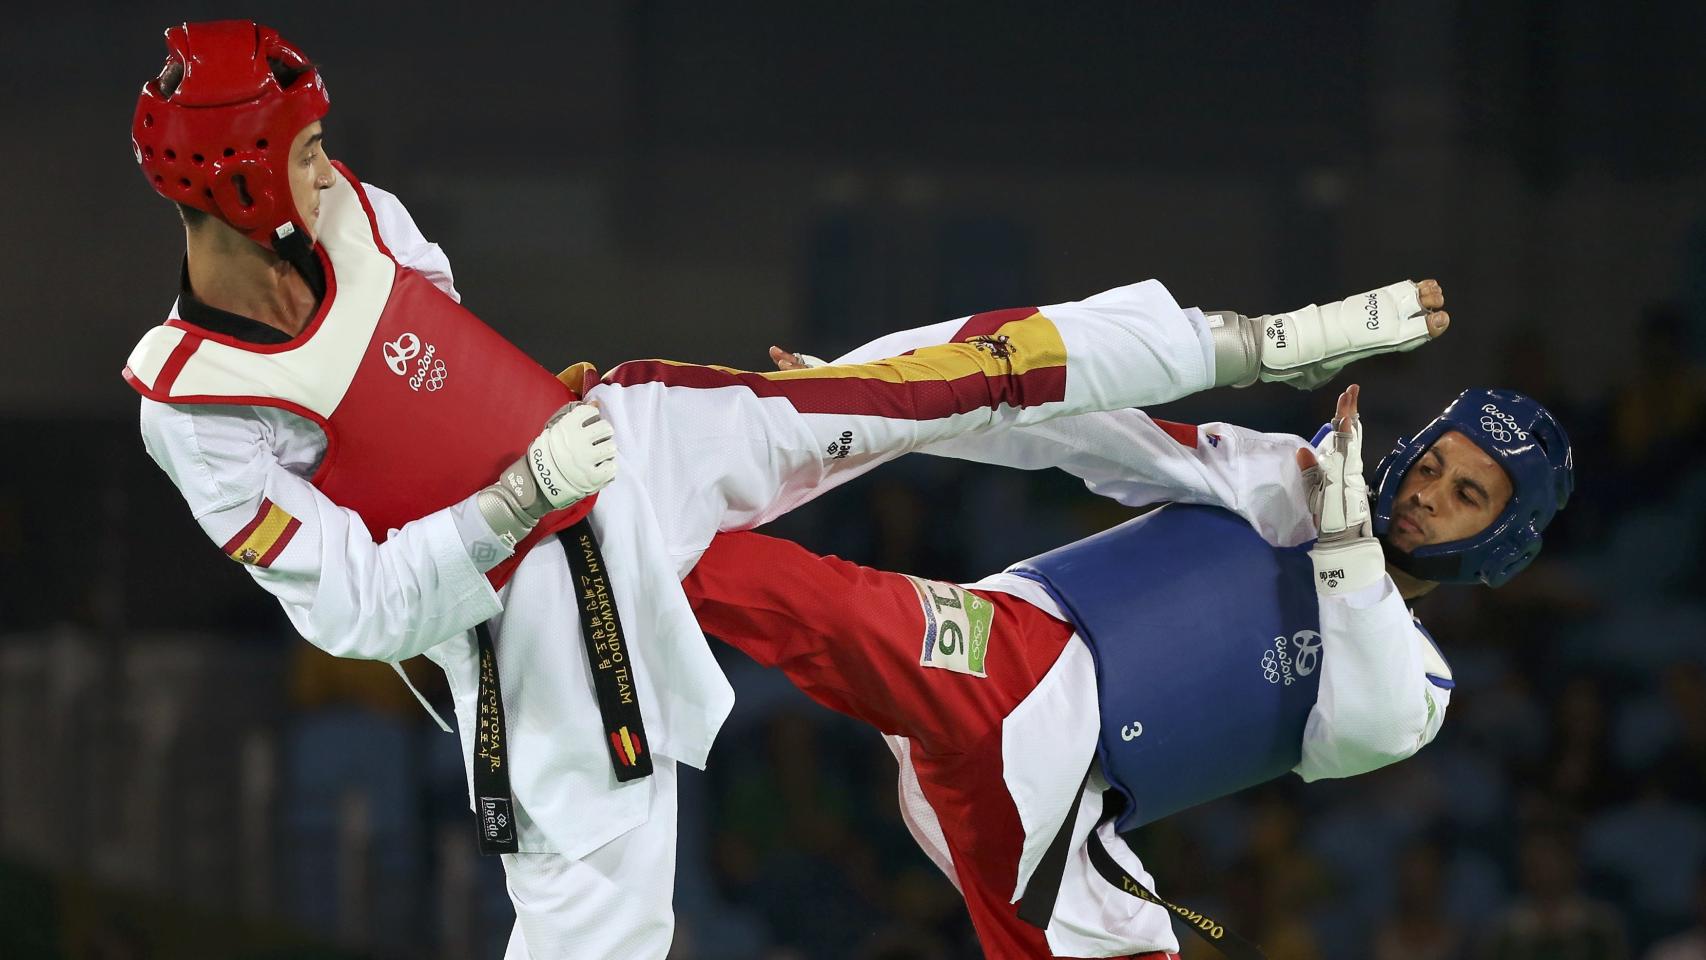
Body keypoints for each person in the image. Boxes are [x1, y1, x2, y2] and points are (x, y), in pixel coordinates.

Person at [122, 21, 1450, 958]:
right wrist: (510, 497)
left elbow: (439, 339)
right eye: (296, 153)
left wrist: (533, 433)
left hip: (622, 443)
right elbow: (358, 613)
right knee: (604, 921)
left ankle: (1250, 340)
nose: (322, 164)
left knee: (934, 378)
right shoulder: (199, 407)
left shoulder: (352, 207)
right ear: (234, 180)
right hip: (527, 611)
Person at [684, 339, 1573, 956]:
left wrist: (1344, 548)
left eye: (1467, 494)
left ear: (1501, 541)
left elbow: (1362, 716)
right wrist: (883, 395)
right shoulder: (1290, 480)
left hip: (1056, 816)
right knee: (773, 586)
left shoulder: (1417, 692)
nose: (1428, 494)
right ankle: (597, 489)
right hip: (1016, 661)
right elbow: (1087, 431)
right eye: (1430, 466)